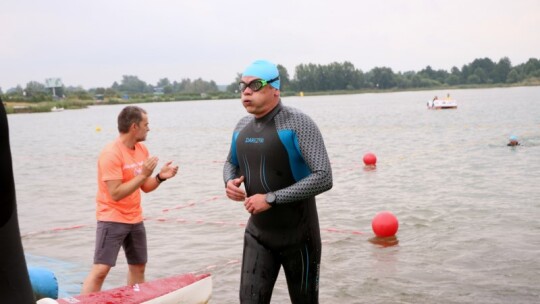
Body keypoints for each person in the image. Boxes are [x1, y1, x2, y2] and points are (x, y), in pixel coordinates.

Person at [223, 60, 333, 303]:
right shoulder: (242, 127)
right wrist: (230, 182)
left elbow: (324, 176)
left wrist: (271, 199)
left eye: (255, 85)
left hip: (299, 236)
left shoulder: (297, 123)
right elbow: (231, 162)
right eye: (242, 86)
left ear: (275, 88)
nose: (246, 91)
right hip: (258, 235)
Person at [81, 106, 179, 294]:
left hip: (135, 218)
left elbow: (145, 187)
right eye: (146, 124)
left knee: (138, 267)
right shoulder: (111, 153)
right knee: (101, 270)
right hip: (111, 218)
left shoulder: (141, 149)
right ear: (135, 127)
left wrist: (160, 177)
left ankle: (135, 300)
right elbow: (116, 193)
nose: (148, 128)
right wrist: (143, 175)